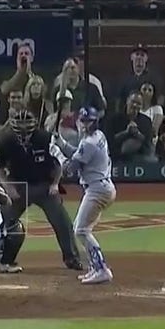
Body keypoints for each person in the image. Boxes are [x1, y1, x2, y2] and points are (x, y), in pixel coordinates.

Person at [0, 107, 83, 270]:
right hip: (19, 187)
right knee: (1, 221)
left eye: (26, 130)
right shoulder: (7, 141)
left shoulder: (45, 138)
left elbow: (58, 163)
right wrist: (8, 186)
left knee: (61, 221)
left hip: (44, 186)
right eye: (19, 128)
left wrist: (55, 183)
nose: (23, 134)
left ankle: (71, 257)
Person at [53, 107, 117, 285]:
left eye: (88, 121)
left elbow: (69, 169)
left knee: (81, 230)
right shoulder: (98, 137)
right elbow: (77, 152)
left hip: (98, 190)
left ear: (95, 122)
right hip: (102, 187)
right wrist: (61, 143)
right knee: (83, 230)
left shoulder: (89, 142)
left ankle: (101, 269)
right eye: (82, 121)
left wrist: (56, 152)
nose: (84, 124)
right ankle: (96, 267)